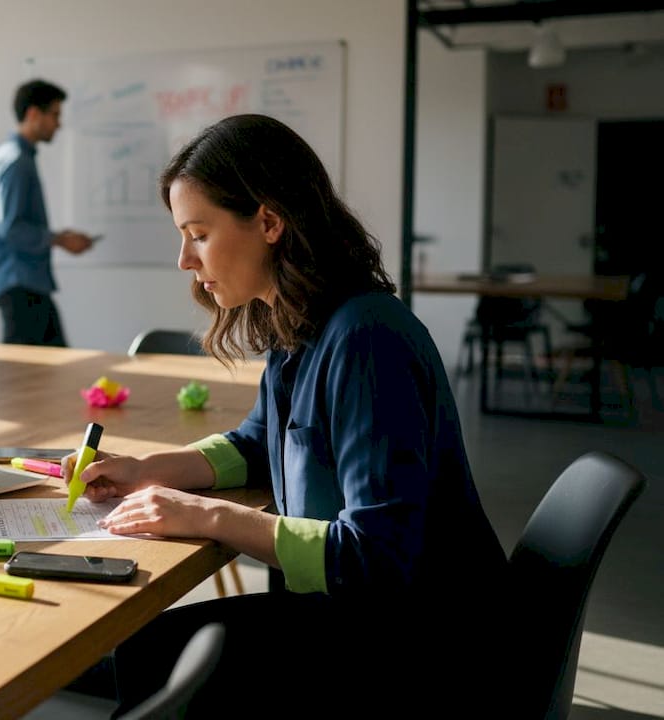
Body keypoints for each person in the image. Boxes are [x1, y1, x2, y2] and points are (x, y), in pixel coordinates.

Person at [62, 114, 510, 716]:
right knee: (153, 651)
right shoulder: (299, 320)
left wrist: (206, 514)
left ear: (269, 222)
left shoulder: (367, 339)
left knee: (158, 656)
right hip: (368, 618)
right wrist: (147, 470)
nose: (185, 260)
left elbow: (375, 557)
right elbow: (259, 443)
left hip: (422, 646)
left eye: (198, 234)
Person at [0, 78, 95, 346]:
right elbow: (11, 229)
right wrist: (59, 240)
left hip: (24, 283)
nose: (59, 124)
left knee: (52, 360)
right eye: (55, 115)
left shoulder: (11, 156)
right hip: (20, 282)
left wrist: (58, 238)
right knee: (25, 367)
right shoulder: (17, 162)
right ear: (34, 114)